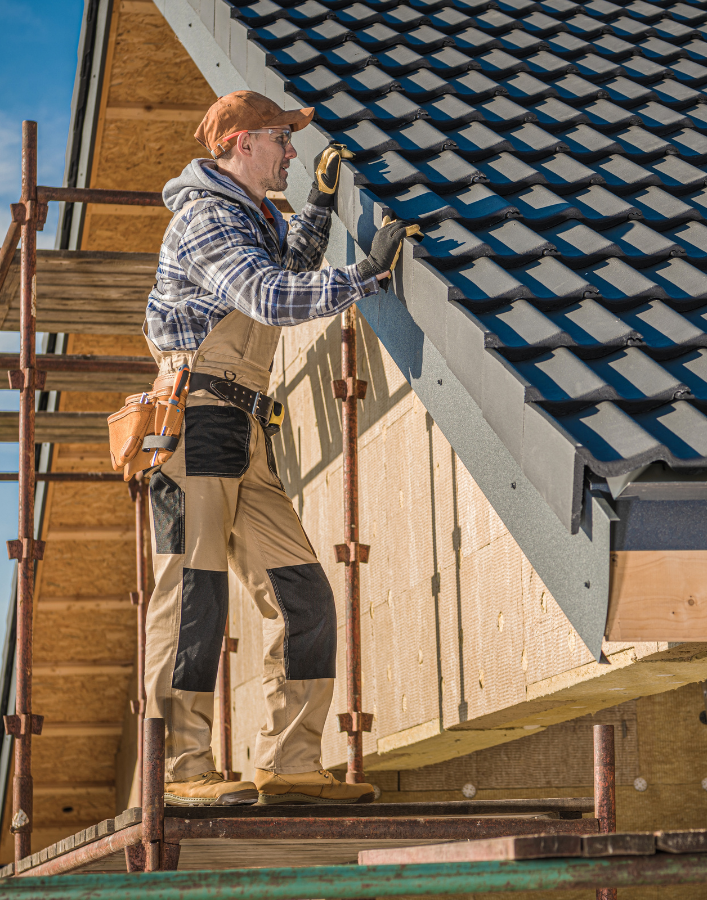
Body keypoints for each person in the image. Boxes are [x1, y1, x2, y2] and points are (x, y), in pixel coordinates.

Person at [142, 90, 406, 806]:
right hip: (197, 421)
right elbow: (267, 296)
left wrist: (318, 207)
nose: (291, 151)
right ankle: (178, 772)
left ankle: (289, 765)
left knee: (303, 597)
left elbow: (287, 266)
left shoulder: (250, 216)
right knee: (194, 598)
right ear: (240, 143)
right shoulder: (205, 217)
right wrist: (366, 277)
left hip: (243, 429)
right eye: (280, 138)